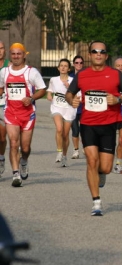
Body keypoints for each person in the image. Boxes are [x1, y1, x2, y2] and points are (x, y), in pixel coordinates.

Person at [65, 41, 122, 216]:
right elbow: (69, 93)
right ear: (89, 55)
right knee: (91, 161)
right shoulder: (82, 75)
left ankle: (102, 174)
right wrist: (70, 100)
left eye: (102, 51)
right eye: (95, 51)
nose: (98, 54)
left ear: (106, 55)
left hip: (109, 124)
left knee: (106, 167)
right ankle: (96, 201)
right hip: (88, 124)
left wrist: (118, 100)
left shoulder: (115, 74)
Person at [0, 43, 47, 187]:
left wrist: (32, 98)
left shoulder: (31, 72)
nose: (15, 56)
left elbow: (42, 89)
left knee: (25, 148)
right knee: (14, 143)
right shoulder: (4, 72)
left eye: (18, 54)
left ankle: (24, 161)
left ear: (24, 55)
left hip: (27, 114)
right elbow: (1, 87)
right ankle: (15, 174)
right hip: (10, 112)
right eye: (13, 54)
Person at [46, 59, 76, 167]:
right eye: (61, 66)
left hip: (69, 109)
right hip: (57, 107)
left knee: (65, 134)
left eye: (65, 66)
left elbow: (78, 95)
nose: (63, 67)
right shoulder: (53, 79)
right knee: (59, 128)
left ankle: (64, 155)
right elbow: (50, 90)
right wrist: (49, 94)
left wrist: (69, 88)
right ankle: (59, 152)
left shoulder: (73, 80)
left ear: (69, 69)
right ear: (58, 68)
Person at [70, 55, 84, 159]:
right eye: (77, 63)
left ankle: (85, 147)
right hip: (73, 108)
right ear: (74, 64)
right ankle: (76, 150)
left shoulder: (86, 76)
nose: (79, 64)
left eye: (81, 63)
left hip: (84, 107)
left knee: (85, 130)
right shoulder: (70, 77)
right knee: (75, 130)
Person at [0, 41, 11, 177]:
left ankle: (1, 158)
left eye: (1, 48)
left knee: (2, 138)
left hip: (6, 105)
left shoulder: (10, 65)